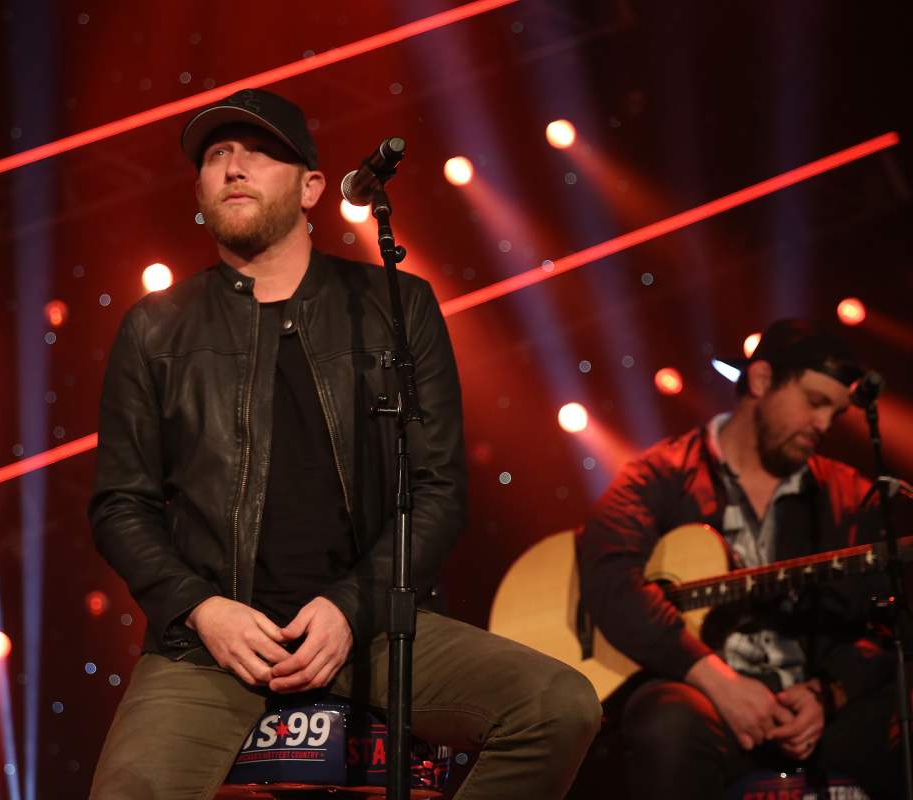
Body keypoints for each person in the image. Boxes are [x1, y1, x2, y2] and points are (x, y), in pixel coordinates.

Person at [87, 88, 600, 798]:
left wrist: (350, 606)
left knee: (557, 705)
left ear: (313, 188)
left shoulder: (396, 303)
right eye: (216, 156)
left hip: (376, 627)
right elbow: (120, 503)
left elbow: (440, 490)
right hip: (208, 646)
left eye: (259, 152)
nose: (234, 167)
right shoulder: (155, 326)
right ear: (199, 191)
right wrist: (204, 608)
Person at [577, 319, 903, 798]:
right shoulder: (659, 474)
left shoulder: (850, 495)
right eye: (815, 403)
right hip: (703, 696)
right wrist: (714, 679)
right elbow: (609, 577)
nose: (822, 425)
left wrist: (828, 693)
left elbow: (883, 623)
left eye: (833, 415)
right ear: (761, 380)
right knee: (664, 721)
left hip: (812, 709)